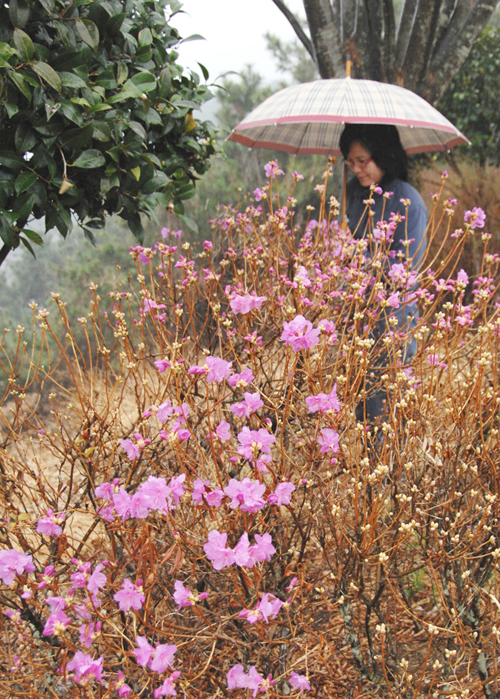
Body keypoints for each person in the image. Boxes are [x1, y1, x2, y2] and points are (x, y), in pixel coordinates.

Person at [339, 124, 428, 422]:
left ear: (384, 155)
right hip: (357, 312)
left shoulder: (408, 201)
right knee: (360, 403)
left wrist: (364, 263)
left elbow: (407, 269)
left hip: (393, 316)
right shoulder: (354, 192)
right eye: (350, 162)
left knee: (386, 407)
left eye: (362, 161)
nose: (356, 169)